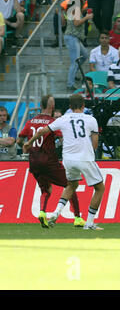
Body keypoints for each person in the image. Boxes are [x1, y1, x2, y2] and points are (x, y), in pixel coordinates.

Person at [23, 94, 106, 231]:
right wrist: (89, 152)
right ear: (83, 106)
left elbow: (43, 131)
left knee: (71, 185)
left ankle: (56, 212)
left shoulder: (63, 119)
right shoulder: (91, 119)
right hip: (84, 158)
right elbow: (95, 143)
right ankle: (89, 223)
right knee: (99, 188)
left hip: (68, 159)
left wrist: (29, 143)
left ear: (70, 107)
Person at [17, 95, 85, 228]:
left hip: (34, 162)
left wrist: (27, 148)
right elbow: (62, 138)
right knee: (70, 185)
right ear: (52, 107)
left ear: (41, 105)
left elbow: (19, 140)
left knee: (46, 189)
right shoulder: (53, 122)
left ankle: (42, 212)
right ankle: (77, 218)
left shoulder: (30, 121)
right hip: (49, 161)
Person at [64, 0, 92, 91]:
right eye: (84, 0)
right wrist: (87, 17)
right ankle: (70, 84)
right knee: (75, 61)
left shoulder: (73, 9)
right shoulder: (76, 9)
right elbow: (76, 23)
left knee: (84, 55)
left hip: (74, 37)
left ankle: (74, 73)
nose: (85, 2)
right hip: (72, 37)